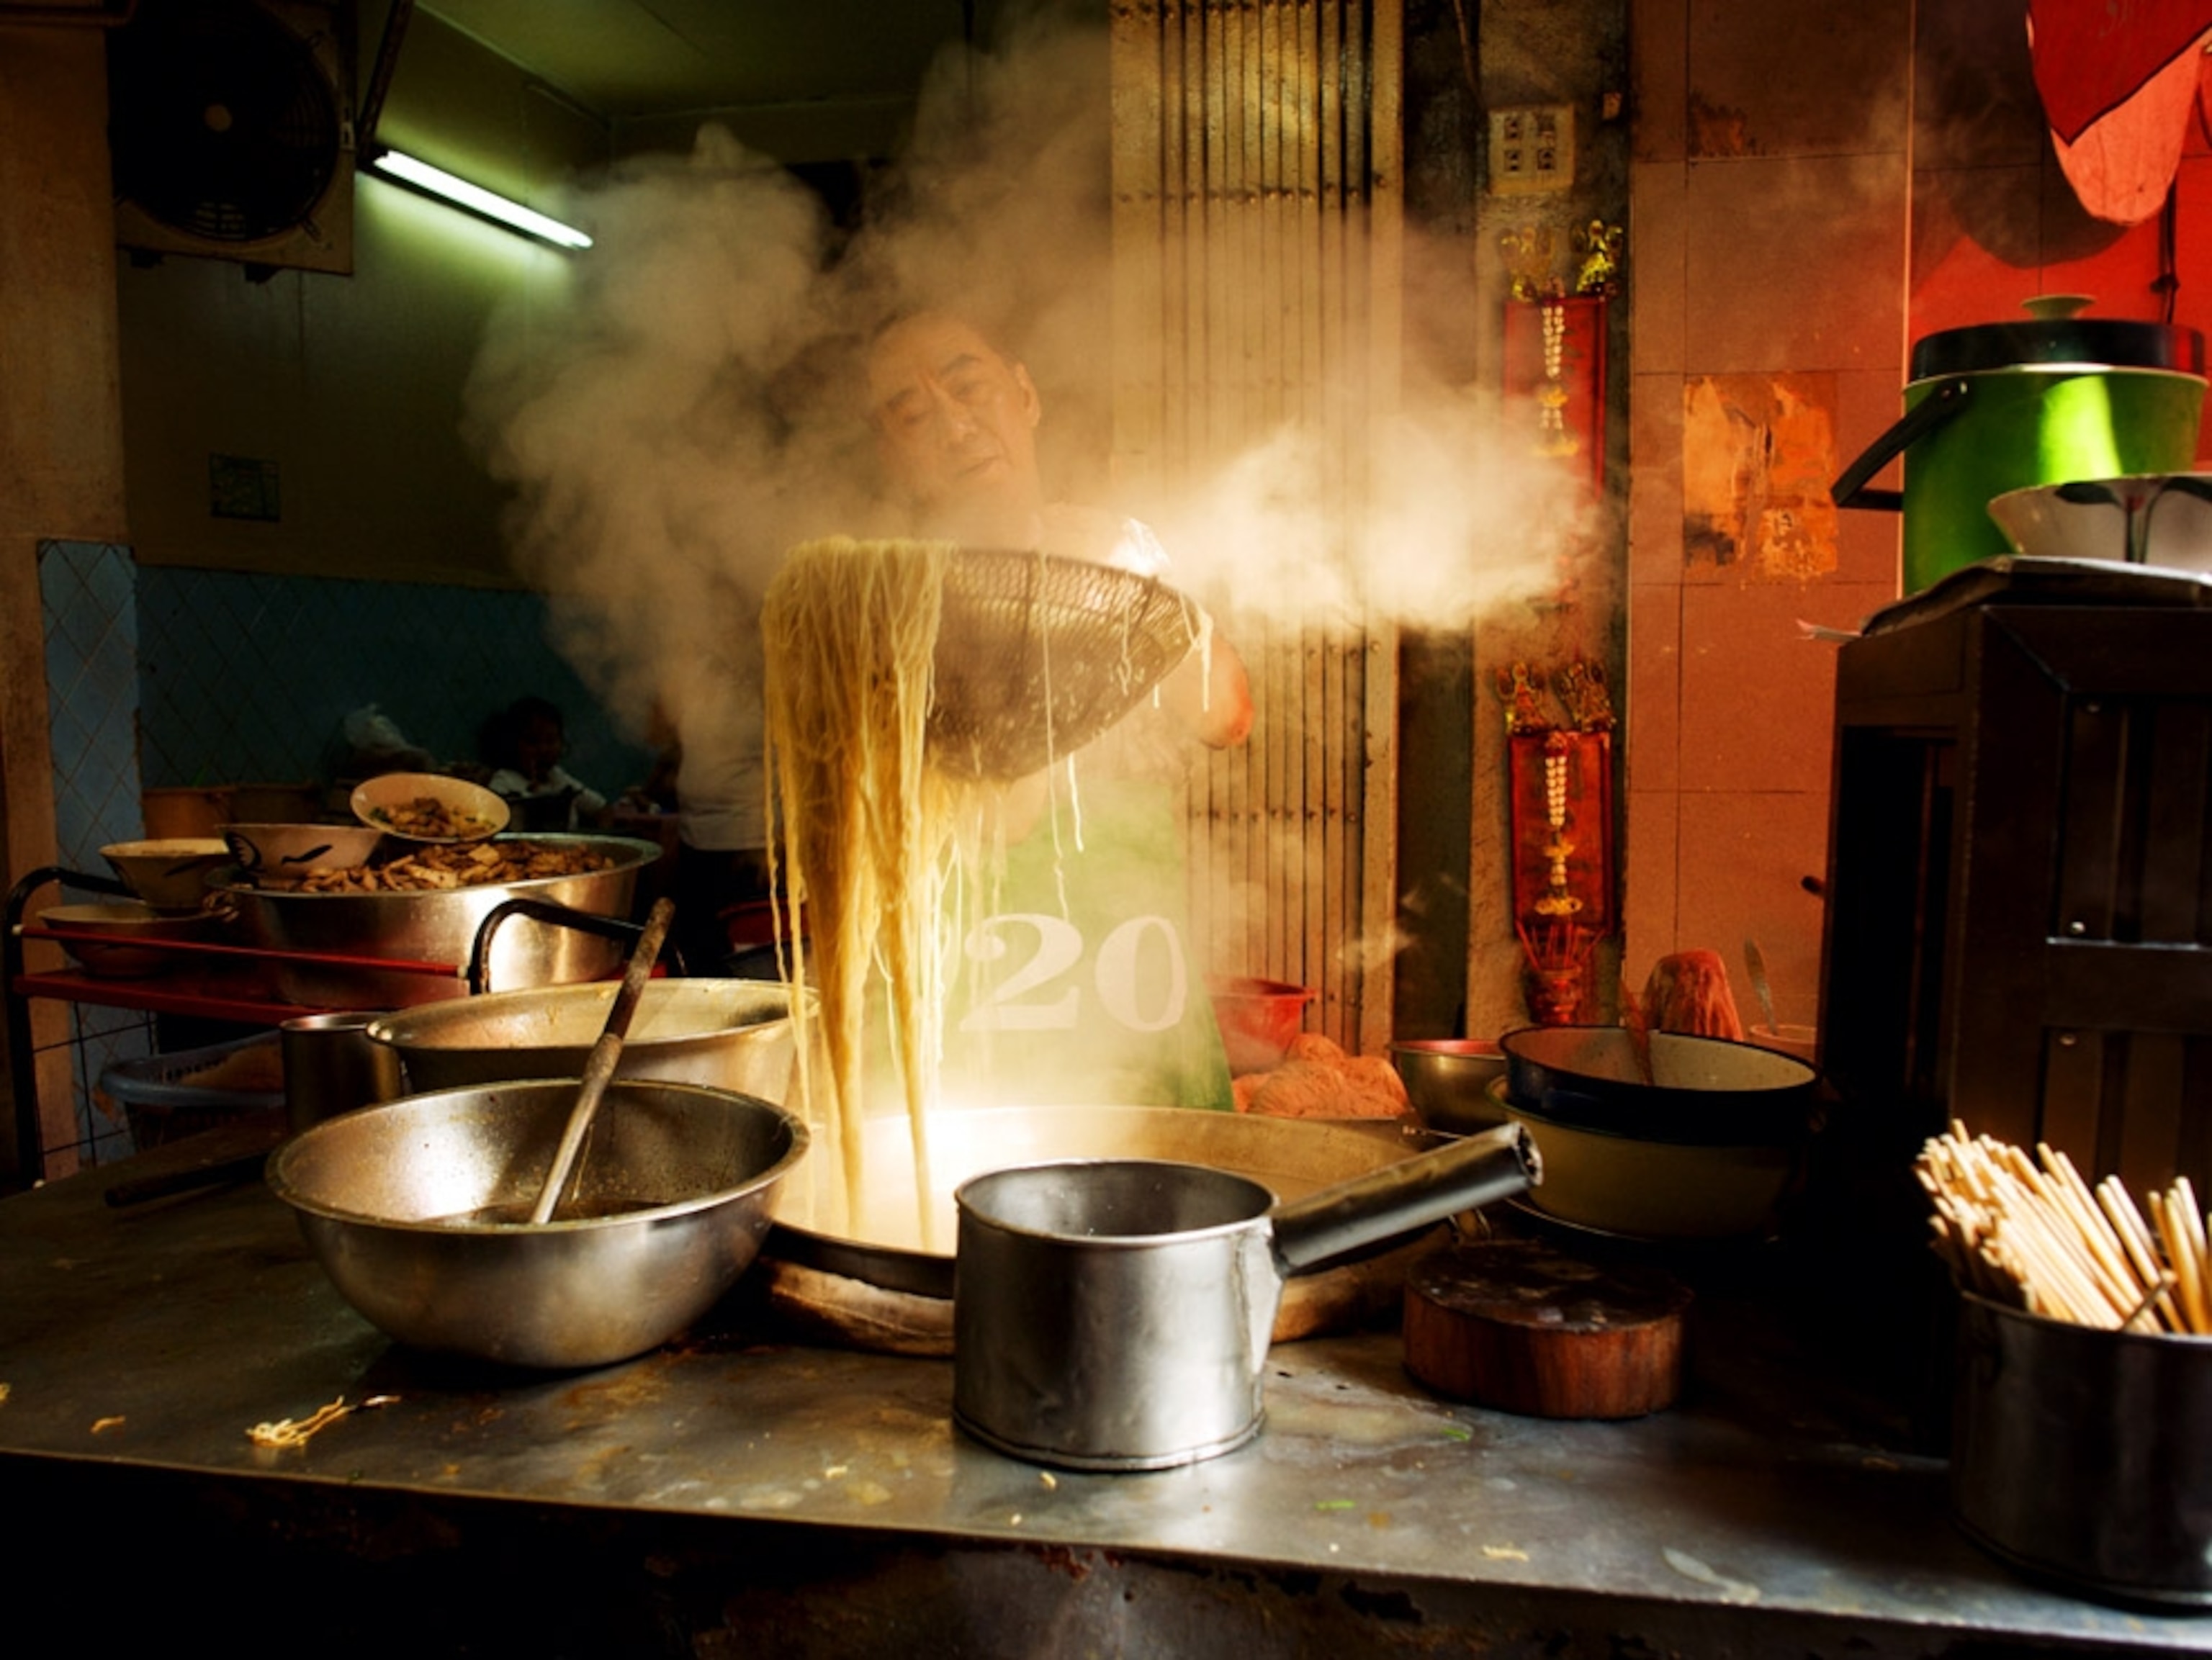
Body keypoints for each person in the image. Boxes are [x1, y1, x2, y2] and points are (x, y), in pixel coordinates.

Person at [861, 308, 1254, 1110]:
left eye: (969, 388)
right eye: (915, 414)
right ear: (893, 456)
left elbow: (1225, 716)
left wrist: (1143, 570)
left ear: (1025, 395)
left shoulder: (1121, 557)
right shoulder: (881, 601)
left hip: (1130, 993)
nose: (956, 425)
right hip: (959, 1009)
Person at [481, 695, 611, 831]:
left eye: (550, 741)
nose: (543, 750)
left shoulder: (559, 778)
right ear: (512, 744)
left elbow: (603, 810)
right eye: (533, 742)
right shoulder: (504, 781)